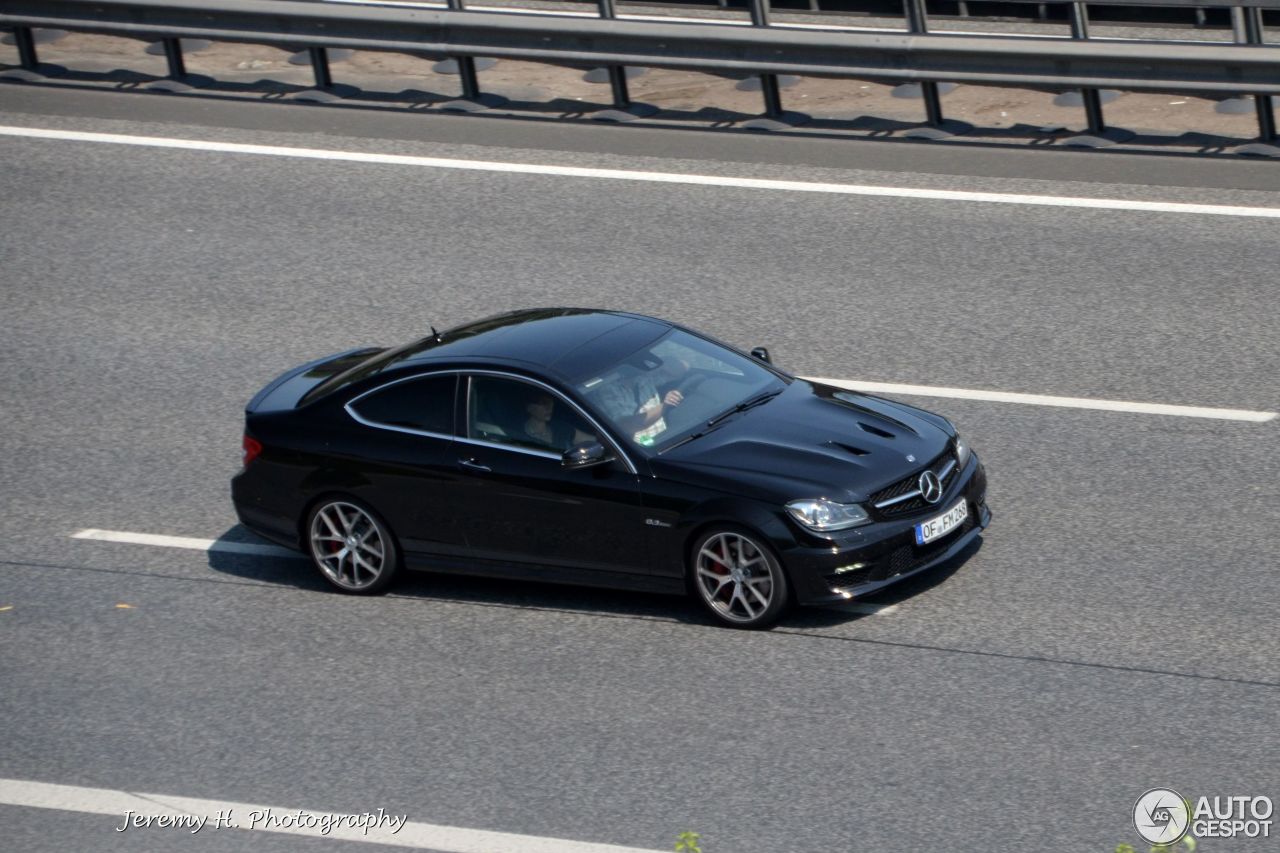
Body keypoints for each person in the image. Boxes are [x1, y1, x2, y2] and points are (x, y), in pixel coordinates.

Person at [591, 368, 684, 446]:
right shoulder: (607, 390)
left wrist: (659, 363)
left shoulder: (644, 378)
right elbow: (626, 425)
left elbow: (681, 368)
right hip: (643, 449)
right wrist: (665, 405)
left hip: (669, 436)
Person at [521, 392, 593, 453]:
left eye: (551, 402)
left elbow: (591, 440)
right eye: (543, 403)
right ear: (529, 407)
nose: (549, 407)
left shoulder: (560, 428)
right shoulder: (519, 435)